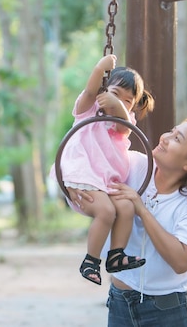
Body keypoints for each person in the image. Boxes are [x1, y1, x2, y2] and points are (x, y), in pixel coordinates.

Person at [68, 114, 187, 326]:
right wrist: (74, 183)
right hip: (119, 303)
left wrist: (141, 209)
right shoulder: (132, 165)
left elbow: (181, 262)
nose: (165, 137)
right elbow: (90, 164)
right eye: (172, 131)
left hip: (168, 312)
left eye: (177, 139)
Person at [54, 54, 154, 286]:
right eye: (115, 93)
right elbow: (90, 92)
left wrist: (118, 105)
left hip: (107, 183)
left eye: (128, 101)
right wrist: (100, 68)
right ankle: (91, 260)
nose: (120, 102)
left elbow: (123, 124)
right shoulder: (89, 109)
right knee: (107, 212)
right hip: (83, 177)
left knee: (126, 206)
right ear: (104, 90)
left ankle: (116, 256)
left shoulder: (124, 122)